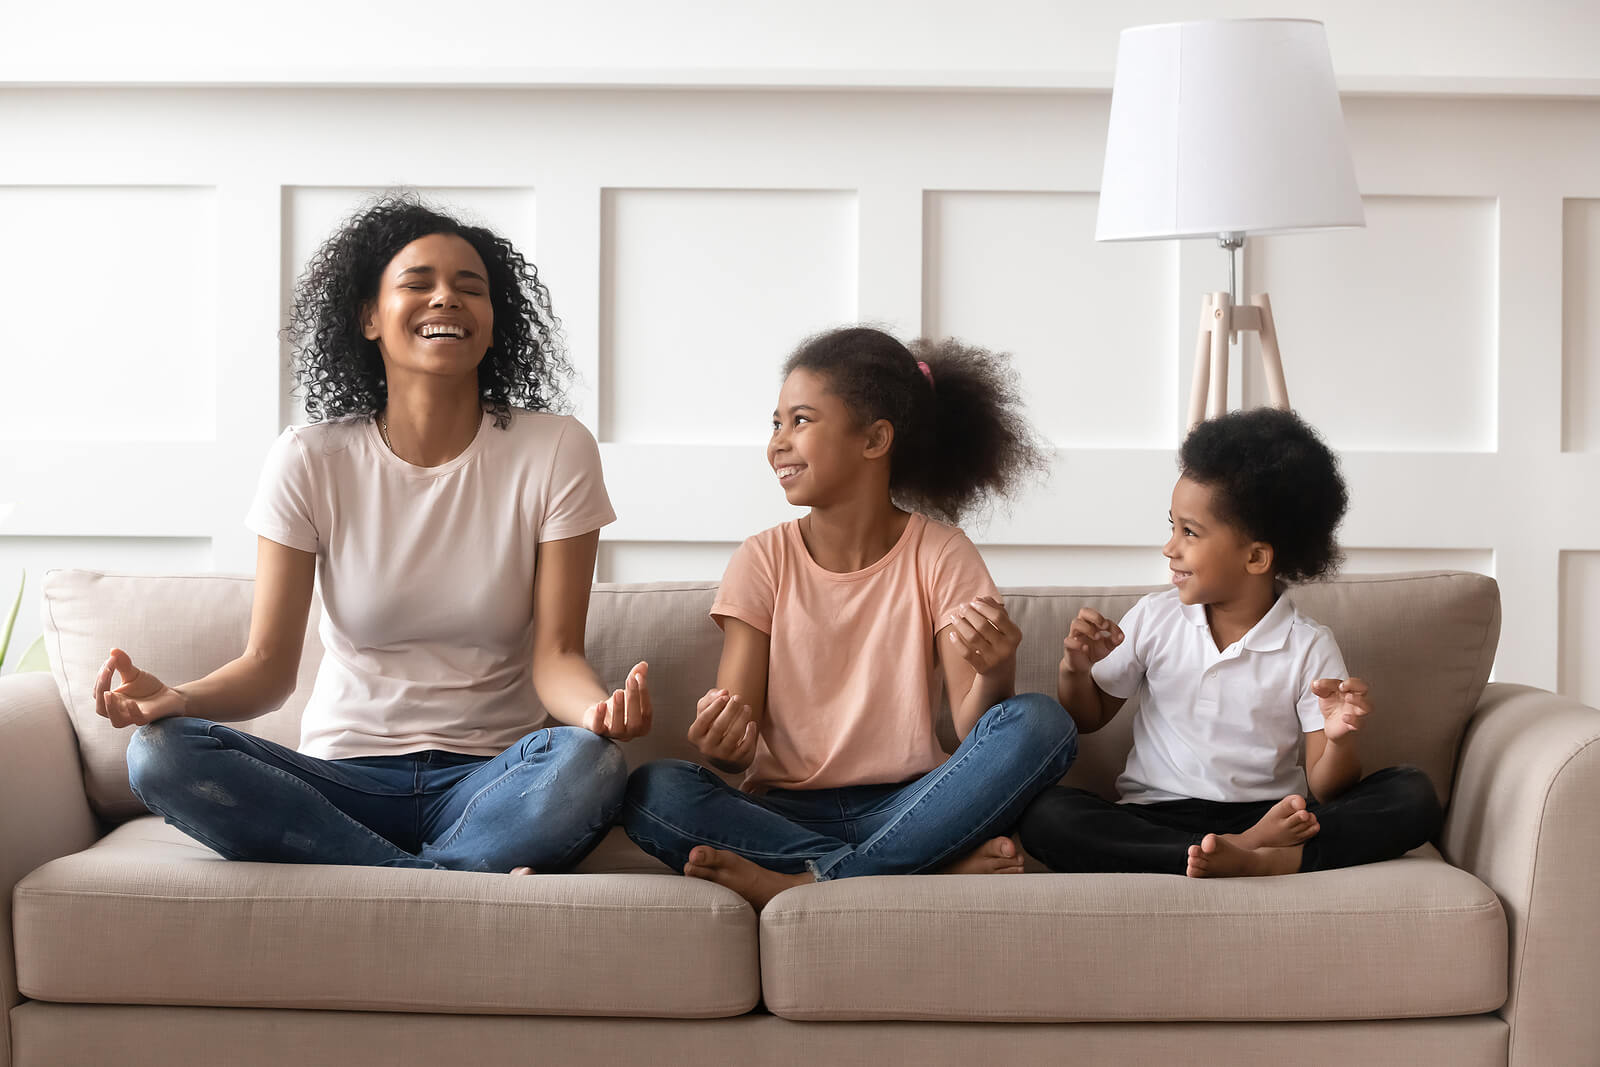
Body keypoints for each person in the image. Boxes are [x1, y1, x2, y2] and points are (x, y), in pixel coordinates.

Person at [99, 194, 652, 874]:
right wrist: (178, 698)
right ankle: (446, 878)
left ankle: (382, 878)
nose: (446, 298)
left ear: (491, 321)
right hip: (341, 780)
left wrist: (599, 712)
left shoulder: (556, 448)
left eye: (469, 287)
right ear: (368, 317)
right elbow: (267, 669)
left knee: (590, 762)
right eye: (419, 284)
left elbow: (557, 657)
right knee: (158, 752)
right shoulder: (311, 458)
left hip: (490, 779)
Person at [620, 326, 1076, 908]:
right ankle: (912, 871)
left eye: (801, 420)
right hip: (780, 810)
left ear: (875, 439)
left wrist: (995, 670)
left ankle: (814, 881)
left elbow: (971, 730)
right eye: (776, 423)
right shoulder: (762, 558)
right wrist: (722, 744)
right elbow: (734, 747)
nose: (778, 443)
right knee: (653, 790)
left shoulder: (941, 552)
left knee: (1041, 722)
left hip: (916, 803)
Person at [1019, 408, 1442, 878]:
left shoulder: (1308, 645)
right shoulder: (1156, 617)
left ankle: (1254, 850)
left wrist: (1340, 740)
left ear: (1256, 557)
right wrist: (1076, 668)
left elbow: (1328, 789)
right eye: (1172, 526)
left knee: (1412, 792)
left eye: (1190, 532)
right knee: (1046, 813)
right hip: (1156, 813)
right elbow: (1087, 717)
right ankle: (1245, 853)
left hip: (1270, 814)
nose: (1169, 547)